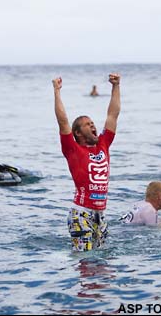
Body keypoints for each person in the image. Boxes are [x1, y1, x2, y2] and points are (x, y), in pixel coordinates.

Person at [53, 73, 121, 251]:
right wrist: (57, 91)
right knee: (87, 262)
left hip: (101, 215)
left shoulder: (103, 144)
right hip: (81, 214)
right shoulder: (72, 149)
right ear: (77, 133)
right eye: (87, 124)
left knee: (103, 264)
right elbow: (62, 121)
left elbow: (113, 115)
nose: (93, 126)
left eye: (93, 123)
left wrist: (115, 86)